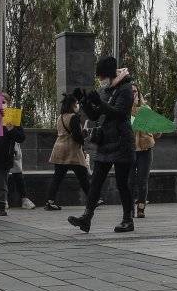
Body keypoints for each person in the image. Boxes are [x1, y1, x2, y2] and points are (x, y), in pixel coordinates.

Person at [67, 56, 135, 233]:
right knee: (96, 181)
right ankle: (86, 217)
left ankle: (128, 219)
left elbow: (120, 114)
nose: (100, 80)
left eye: (102, 76)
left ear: (110, 74)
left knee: (122, 183)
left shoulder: (126, 88)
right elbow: (96, 116)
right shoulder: (105, 89)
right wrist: (84, 102)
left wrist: (100, 103)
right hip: (105, 141)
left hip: (121, 141)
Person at [44, 92, 90, 211]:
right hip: (72, 151)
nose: (78, 105)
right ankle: (93, 199)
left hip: (59, 149)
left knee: (57, 177)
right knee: (83, 176)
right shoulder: (74, 117)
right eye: (77, 103)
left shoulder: (60, 117)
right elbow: (76, 136)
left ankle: (50, 201)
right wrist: (84, 134)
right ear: (73, 105)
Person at [0, 115, 26, 216]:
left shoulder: (13, 116)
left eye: (4, 102)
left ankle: (1, 207)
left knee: (2, 183)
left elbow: (21, 137)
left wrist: (11, 129)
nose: (2, 104)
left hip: (4, 157)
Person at [130, 87, 158, 218]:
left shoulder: (146, 109)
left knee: (142, 179)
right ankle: (129, 208)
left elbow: (157, 131)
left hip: (145, 148)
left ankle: (141, 207)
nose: (133, 93)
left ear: (139, 93)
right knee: (129, 180)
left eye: (135, 91)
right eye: (130, 91)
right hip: (129, 149)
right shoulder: (123, 109)